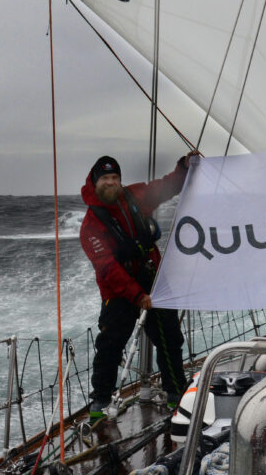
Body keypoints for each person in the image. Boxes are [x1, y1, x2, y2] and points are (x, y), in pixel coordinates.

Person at [80, 153, 194, 420]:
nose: (111, 182)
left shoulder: (134, 196)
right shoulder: (90, 225)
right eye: (105, 178)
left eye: (115, 177)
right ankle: (100, 403)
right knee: (110, 343)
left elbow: (167, 187)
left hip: (152, 280)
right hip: (118, 291)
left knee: (169, 337)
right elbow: (107, 268)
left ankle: (176, 395)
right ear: (95, 182)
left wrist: (183, 168)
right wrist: (136, 295)